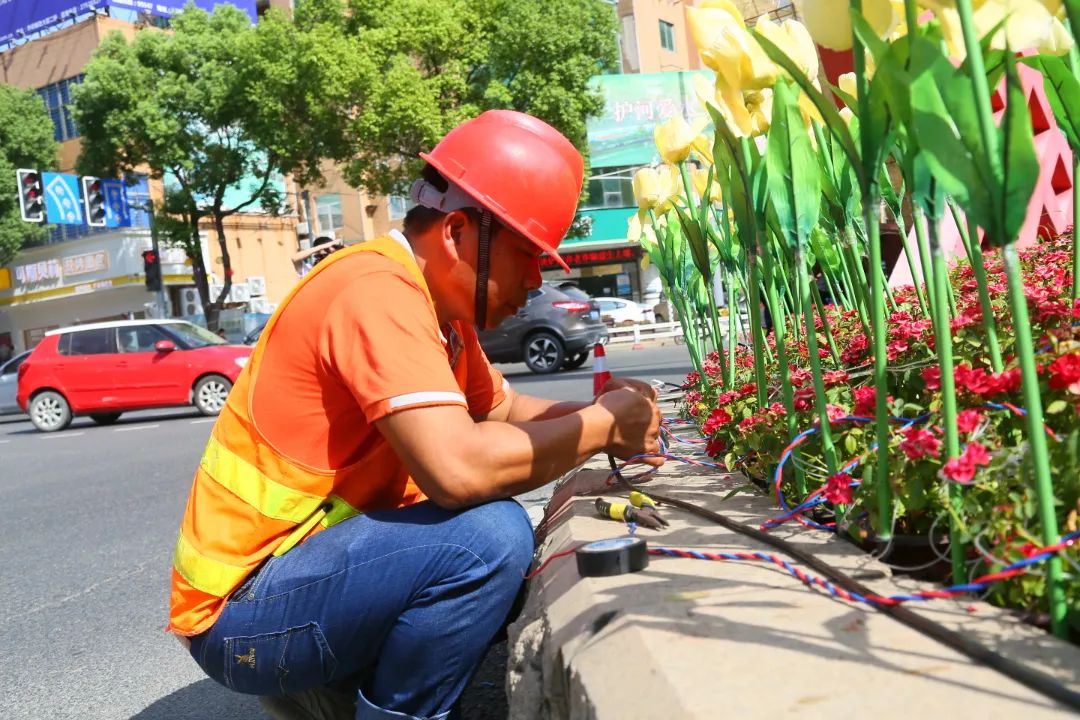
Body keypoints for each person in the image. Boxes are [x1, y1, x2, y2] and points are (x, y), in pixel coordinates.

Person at [168, 110, 663, 720]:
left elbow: (505, 409)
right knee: (488, 539)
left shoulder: (440, 312)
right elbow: (458, 472)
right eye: (528, 254)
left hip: (306, 580)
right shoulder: (374, 290)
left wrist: (606, 416)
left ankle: (343, 690)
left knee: (489, 541)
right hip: (244, 611)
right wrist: (604, 426)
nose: (536, 280)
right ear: (458, 232)